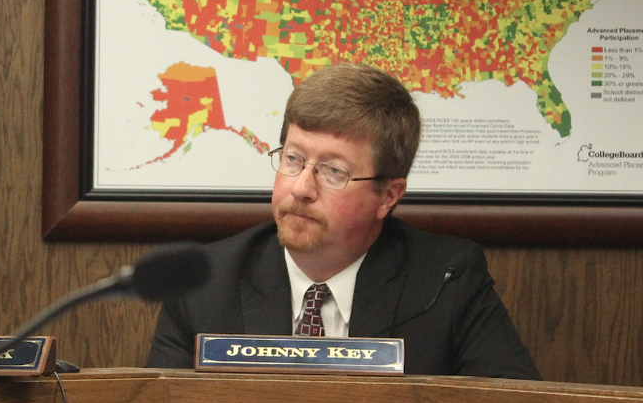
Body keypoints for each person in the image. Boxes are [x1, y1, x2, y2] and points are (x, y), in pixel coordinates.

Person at [147, 63, 541, 380]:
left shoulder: (446, 282)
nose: (301, 188)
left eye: (333, 171)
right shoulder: (202, 284)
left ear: (387, 196)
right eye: (293, 159)